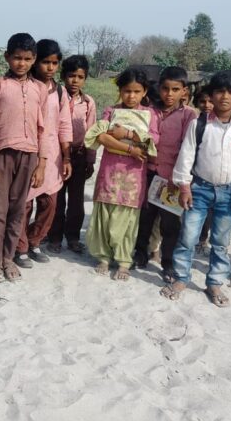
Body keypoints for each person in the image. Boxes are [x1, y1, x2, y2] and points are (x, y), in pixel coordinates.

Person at [161, 71, 231, 306]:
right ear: (212, 95)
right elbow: (186, 157)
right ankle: (181, 278)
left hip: (229, 193)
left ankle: (214, 283)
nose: (225, 96)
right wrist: (184, 187)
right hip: (199, 190)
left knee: (221, 241)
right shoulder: (199, 124)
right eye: (220, 91)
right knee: (188, 237)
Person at [0, 33, 48, 283]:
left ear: (34, 59)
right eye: (17, 58)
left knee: (18, 210)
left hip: (29, 155)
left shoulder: (39, 89)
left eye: (27, 59)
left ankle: (9, 258)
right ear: (7, 57)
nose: (22, 63)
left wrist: (41, 164)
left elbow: (43, 129)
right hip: (2, 155)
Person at [84, 68, 159, 281]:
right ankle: (104, 257)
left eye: (136, 91)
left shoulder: (150, 115)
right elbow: (102, 137)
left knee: (127, 219)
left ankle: (124, 261)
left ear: (144, 92)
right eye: (127, 91)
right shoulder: (111, 111)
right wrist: (131, 148)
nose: (131, 96)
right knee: (105, 214)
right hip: (110, 170)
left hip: (133, 175)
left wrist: (125, 134)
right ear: (120, 91)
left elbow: (152, 141)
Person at [132, 66, 197, 281]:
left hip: (173, 178)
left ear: (184, 91)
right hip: (148, 173)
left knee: (170, 223)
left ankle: (167, 262)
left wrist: (180, 179)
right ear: (159, 88)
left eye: (175, 89)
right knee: (145, 217)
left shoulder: (189, 115)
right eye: (165, 89)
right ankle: (140, 254)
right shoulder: (148, 112)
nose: (169, 94)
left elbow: (188, 148)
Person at [15, 40, 73, 267]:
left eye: (54, 63)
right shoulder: (25, 87)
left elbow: (64, 125)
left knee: (49, 203)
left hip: (53, 154)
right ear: (35, 62)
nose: (50, 67)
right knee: (24, 203)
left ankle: (34, 241)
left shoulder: (60, 91)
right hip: (28, 151)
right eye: (45, 62)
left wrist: (66, 157)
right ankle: (20, 247)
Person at [47, 55, 96, 255]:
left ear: (85, 78)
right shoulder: (54, 97)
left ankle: (73, 237)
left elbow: (92, 132)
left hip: (79, 155)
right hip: (57, 155)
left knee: (76, 200)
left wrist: (90, 160)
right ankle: (54, 237)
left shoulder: (88, 102)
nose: (75, 81)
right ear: (63, 76)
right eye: (71, 76)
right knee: (57, 199)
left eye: (80, 77)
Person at [191, 85, 215, 255]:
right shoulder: (194, 123)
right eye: (202, 101)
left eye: (210, 101)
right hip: (195, 173)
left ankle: (203, 239)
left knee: (210, 212)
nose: (207, 105)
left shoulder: (226, 124)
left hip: (213, 175)